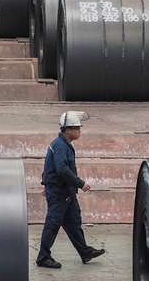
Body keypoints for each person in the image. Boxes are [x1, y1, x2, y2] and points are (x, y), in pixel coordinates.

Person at [37, 111, 106, 269]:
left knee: (74, 223)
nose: (79, 131)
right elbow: (61, 170)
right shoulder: (60, 146)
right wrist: (80, 183)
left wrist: (46, 183)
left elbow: (51, 168)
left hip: (66, 193)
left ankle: (85, 252)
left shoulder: (63, 145)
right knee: (52, 224)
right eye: (77, 128)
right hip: (59, 193)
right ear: (67, 129)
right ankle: (43, 257)